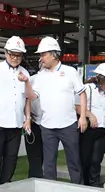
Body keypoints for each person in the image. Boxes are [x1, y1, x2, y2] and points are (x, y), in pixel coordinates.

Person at [28, 37, 87, 183]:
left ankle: (79, 188)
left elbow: (82, 93)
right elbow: (32, 97)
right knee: (49, 163)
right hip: (47, 126)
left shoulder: (70, 72)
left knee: (74, 161)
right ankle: (50, 191)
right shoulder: (40, 77)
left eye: (43, 54)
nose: (41, 58)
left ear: (53, 54)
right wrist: (25, 83)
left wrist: (82, 117)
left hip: (69, 125)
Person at [0, 37, 32, 186]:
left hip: (16, 123)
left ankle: (6, 183)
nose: (15, 58)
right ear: (6, 52)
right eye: (12, 54)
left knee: (11, 156)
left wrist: (28, 118)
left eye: (18, 55)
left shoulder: (25, 73)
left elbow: (27, 98)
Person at [77, 64, 105, 186]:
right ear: (101, 78)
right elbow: (77, 106)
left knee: (97, 160)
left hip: (101, 129)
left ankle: (94, 183)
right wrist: (90, 115)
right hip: (88, 129)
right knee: (85, 159)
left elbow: (104, 111)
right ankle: (84, 183)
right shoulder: (87, 88)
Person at [25, 68, 44, 179]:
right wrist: (27, 117)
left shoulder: (56, 80)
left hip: (48, 122)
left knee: (45, 154)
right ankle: (34, 177)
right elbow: (25, 99)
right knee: (33, 154)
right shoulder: (31, 80)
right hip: (32, 121)